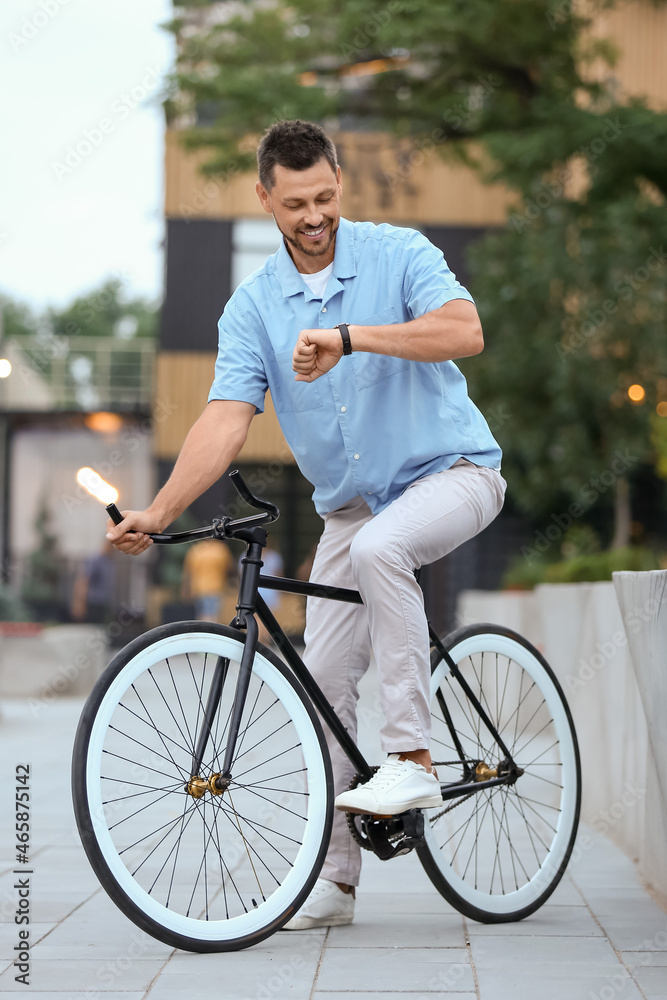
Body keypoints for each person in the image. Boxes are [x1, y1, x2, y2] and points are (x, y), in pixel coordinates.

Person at [106, 119, 506, 930]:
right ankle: (335, 880)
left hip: (454, 474)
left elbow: (464, 331)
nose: (314, 215)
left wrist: (352, 338)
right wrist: (159, 511)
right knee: (321, 683)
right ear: (265, 199)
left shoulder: (397, 254)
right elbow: (224, 419)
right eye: (295, 204)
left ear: (337, 184)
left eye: (325, 196)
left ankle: (414, 757)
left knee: (387, 547)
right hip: (350, 509)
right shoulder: (253, 308)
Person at [181, 537, 232, 621]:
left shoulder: (196, 549)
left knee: (201, 615)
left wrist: (185, 589)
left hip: (198, 589)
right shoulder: (220, 549)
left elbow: (188, 572)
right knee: (212, 616)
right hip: (215, 588)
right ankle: (209, 632)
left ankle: (201, 631)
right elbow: (229, 568)